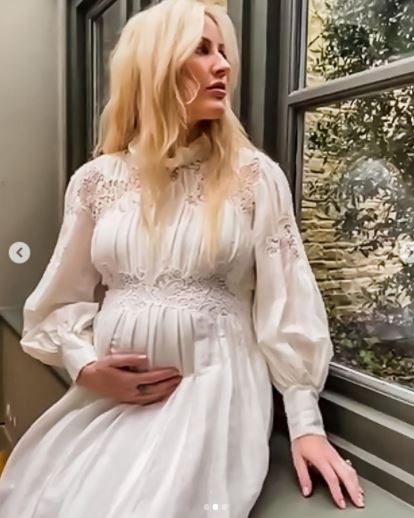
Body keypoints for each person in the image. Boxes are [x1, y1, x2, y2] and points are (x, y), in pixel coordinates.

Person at [0, 0, 365, 516]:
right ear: (155, 65)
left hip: (212, 393)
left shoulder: (254, 178)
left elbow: (288, 303)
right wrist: (86, 367)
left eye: (223, 52)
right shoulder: (95, 181)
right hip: (107, 400)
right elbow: (56, 303)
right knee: (41, 497)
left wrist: (306, 425)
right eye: (202, 50)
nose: (223, 65)